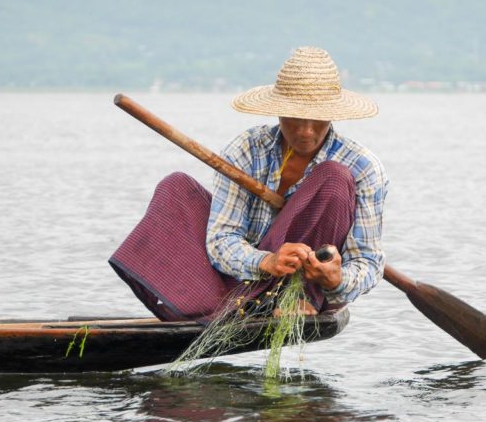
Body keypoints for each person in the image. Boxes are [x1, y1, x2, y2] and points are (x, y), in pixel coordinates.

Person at [110, 46, 388, 322]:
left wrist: (335, 280)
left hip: (301, 291)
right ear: (277, 112)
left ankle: (298, 294)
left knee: (334, 177)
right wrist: (265, 261)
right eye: (294, 117)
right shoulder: (246, 150)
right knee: (176, 187)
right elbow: (221, 240)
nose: (306, 131)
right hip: (240, 282)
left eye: (317, 119)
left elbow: (368, 264)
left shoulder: (362, 167)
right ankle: (205, 303)